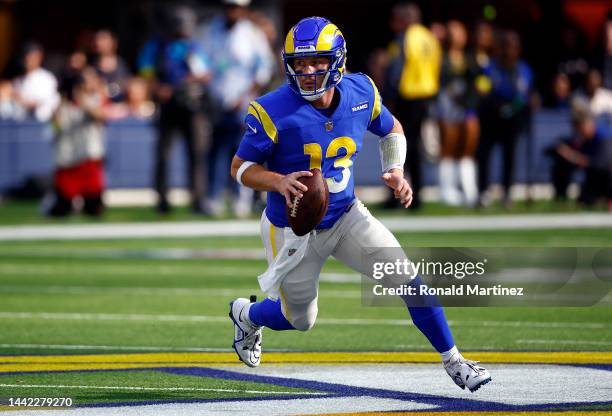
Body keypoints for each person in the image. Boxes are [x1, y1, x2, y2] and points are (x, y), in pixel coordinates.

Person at [228, 17, 491, 393]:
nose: (306, 71)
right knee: (300, 319)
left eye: (316, 61)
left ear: (336, 60)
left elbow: (393, 128)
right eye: (299, 63)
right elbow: (239, 168)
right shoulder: (272, 109)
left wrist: (395, 170)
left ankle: (455, 360)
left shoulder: (360, 91)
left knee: (409, 280)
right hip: (292, 227)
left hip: (347, 216)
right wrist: (277, 180)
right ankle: (247, 313)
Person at [196, 0, 273, 218]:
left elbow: (263, 70)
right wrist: (206, 83)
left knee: (245, 152)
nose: (230, 10)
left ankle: (243, 198)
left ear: (243, 9)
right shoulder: (210, 31)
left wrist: (246, 96)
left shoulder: (252, 35)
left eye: (235, 6)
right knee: (215, 151)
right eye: (227, 6)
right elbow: (201, 62)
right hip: (216, 102)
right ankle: (214, 197)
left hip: (243, 104)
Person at [138, 5, 212, 214]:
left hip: (192, 107)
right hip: (167, 107)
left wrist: (186, 83)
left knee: (196, 154)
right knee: (163, 154)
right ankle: (162, 199)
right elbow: (145, 70)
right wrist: (158, 88)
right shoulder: (158, 45)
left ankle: (198, 199)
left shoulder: (193, 47)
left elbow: (205, 74)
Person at [384, 3, 441, 209]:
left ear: (405, 20)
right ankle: (417, 195)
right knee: (416, 148)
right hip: (425, 97)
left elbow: (396, 70)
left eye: (396, 19)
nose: (393, 24)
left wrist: (388, 95)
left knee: (397, 145)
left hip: (406, 97)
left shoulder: (405, 38)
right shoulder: (429, 37)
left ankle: (395, 197)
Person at [476, 31, 533, 208]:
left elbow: (524, 94)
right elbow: (483, 88)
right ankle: (483, 192)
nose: (508, 50)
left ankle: (506, 193)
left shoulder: (523, 69)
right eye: (505, 46)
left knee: (510, 156)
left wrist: (512, 108)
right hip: (491, 118)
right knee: (484, 154)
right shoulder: (490, 67)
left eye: (512, 46)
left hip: (512, 119)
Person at [47, 67, 108, 217]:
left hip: (88, 160)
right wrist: (62, 99)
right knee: (62, 209)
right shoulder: (62, 106)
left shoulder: (92, 100)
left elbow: (101, 116)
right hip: (68, 161)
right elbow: (55, 125)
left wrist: (81, 99)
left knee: (94, 209)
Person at [437, 20, 480, 207]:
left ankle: (470, 190)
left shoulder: (470, 58)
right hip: (447, 106)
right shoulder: (441, 58)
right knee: (448, 146)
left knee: (468, 147)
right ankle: (447, 190)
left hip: (466, 106)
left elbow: (477, 81)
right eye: (453, 32)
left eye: (460, 32)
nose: (457, 36)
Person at [549, 98, 612, 207]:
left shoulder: (603, 137)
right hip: (594, 178)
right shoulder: (584, 140)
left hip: (606, 179)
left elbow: (602, 164)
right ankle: (560, 198)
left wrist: (572, 156)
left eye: (581, 126)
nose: (579, 131)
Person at [12, 42, 60, 122]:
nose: (29, 60)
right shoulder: (18, 80)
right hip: (21, 124)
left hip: (41, 124)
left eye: (33, 56)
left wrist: (20, 100)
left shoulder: (47, 78)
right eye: (27, 56)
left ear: (40, 57)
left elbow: (40, 103)